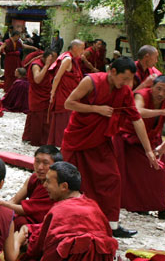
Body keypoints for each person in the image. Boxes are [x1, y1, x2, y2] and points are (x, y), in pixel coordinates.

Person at [61, 57, 158, 238]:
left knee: (112, 178)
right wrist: (96, 109)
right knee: (70, 179)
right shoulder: (91, 81)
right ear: (113, 72)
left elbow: (136, 119)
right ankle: (68, 219)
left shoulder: (125, 91)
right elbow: (69, 103)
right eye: (125, 78)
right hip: (78, 137)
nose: (127, 83)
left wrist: (148, 150)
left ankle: (111, 224)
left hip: (101, 140)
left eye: (130, 80)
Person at [19, 162, 134, 261]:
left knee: (22, 260)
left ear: (64, 187)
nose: (44, 186)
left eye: (48, 182)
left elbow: (42, 248)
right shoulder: (93, 205)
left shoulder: (58, 211)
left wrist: (25, 239)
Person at [114, 75, 165, 219]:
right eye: (158, 89)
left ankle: (161, 209)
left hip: (153, 142)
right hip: (131, 140)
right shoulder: (142, 95)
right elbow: (138, 112)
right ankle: (147, 207)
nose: (161, 94)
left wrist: (164, 146)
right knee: (151, 172)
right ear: (151, 87)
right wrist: (161, 112)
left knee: (161, 173)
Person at [0, 145, 62, 229]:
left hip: (44, 223)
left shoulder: (55, 186)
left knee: (19, 223)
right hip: (29, 216)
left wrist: (0, 203)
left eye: (45, 163)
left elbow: (26, 210)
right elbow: (14, 200)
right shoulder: (33, 178)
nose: (40, 167)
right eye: (37, 161)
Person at [48, 39, 85, 147]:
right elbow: (57, 77)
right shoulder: (67, 59)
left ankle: (58, 143)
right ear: (75, 48)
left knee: (64, 120)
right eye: (82, 48)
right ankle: (61, 143)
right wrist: (52, 93)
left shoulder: (71, 58)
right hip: (64, 95)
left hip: (69, 93)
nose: (83, 51)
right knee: (63, 120)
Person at [23, 49, 56, 146]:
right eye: (52, 58)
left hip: (46, 92)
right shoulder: (36, 65)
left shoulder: (51, 65)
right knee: (36, 115)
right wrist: (46, 66)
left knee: (44, 116)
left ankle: (37, 138)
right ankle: (34, 139)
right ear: (46, 58)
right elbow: (37, 80)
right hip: (37, 94)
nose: (54, 61)